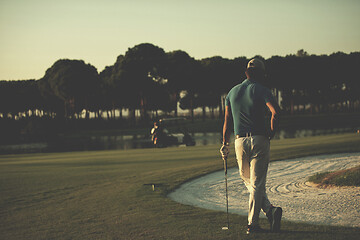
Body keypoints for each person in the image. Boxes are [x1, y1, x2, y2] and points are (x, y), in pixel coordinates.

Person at [220, 58, 282, 234]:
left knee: (249, 181)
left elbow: (226, 122)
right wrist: (271, 132)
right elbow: (275, 113)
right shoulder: (262, 89)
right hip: (260, 139)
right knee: (256, 183)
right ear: (261, 73)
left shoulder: (232, 92)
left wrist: (224, 143)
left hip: (239, 141)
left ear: (246, 72)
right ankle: (261, 218)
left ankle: (266, 214)